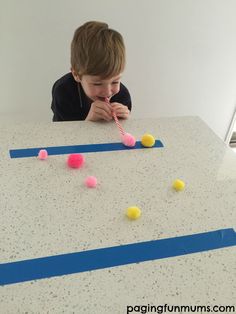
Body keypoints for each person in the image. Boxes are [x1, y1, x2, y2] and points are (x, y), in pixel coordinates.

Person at [51, 21, 132, 122]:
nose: (107, 92)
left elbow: (118, 134)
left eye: (115, 82)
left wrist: (125, 122)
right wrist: (88, 122)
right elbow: (63, 135)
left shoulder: (122, 96)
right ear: (76, 74)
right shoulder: (63, 92)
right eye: (97, 83)